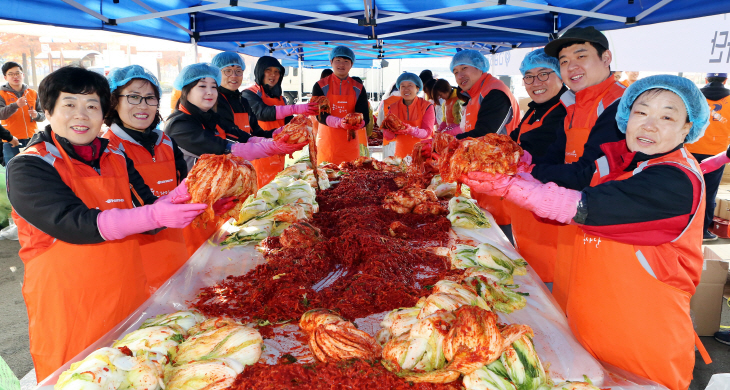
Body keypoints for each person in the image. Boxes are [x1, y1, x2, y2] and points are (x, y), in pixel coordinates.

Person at [463, 75, 712, 390]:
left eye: (667, 116)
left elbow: (585, 207)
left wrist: (512, 187)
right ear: (626, 117)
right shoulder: (626, 164)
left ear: (687, 128)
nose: (649, 125)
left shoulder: (676, 180)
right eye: (641, 112)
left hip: (641, 341)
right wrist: (522, 171)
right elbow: (574, 190)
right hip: (595, 329)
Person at [7, 66, 207, 380]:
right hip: (71, 309)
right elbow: (73, 223)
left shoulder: (115, 153)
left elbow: (146, 210)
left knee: (138, 375)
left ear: (104, 112)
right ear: (47, 111)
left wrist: (177, 201)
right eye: (69, 105)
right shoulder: (29, 166)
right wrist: (153, 215)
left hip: (129, 298)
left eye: (92, 106)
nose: (81, 115)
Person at [531, 26, 626, 308]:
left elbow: (587, 173)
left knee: (596, 308)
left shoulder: (619, 105)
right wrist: (531, 168)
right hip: (571, 219)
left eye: (581, 56)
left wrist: (529, 174)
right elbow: (553, 155)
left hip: (604, 227)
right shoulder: (572, 103)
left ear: (606, 58)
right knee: (565, 304)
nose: (571, 66)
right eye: (563, 61)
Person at [165, 63, 305, 254]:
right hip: (192, 212)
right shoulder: (180, 124)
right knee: (198, 260)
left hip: (218, 204)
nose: (210, 92)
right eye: (202, 86)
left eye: (213, 86)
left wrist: (279, 135)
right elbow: (224, 149)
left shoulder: (210, 117)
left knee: (219, 252)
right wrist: (273, 147)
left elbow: (243, 136)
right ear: (186, 90)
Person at [103, 65, 189, 292]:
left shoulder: (168, 143)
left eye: (150, 98)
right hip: (137, 265)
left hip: (177, 251)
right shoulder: (108, 149)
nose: (143, 105)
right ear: (114, 101)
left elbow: (188, 188)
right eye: (133, 97)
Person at [506, 49, 568, 285]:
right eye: (529, 77)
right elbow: (511, 140)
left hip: (547, 222)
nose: (536, 82)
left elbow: (534, 150)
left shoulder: (563, 112)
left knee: (546, 291)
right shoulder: (534, 109)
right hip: (523, 215)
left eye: (544, 74)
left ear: (560, 75)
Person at [449, 49, 521, 229]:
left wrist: (448, 143)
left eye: (464, 68)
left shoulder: (494, 92)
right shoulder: (474, 95)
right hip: (483, 178)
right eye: (455, 72)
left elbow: (486, 133)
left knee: (502, 235)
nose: (460, 75)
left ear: (480, 67)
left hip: (500, 179)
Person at [241, 55, 318, 187]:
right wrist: (297, 108)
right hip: (259, 153)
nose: (273, 75)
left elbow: (288, 123)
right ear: (260, 71)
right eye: (268, 70)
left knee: (277, 189)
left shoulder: (281, 98)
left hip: (279, 151)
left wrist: (303, 123)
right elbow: (263, 113)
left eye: (277, 72)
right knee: (260, 191)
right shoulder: (249, 94)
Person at [684, 73, 730, 241]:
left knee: (687, 189)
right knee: (708, 194)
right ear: (725, 80)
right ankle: (702, 231)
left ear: (706, 80)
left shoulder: (694, 97)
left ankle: (681, 228)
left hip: (690, 150)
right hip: (716, 155)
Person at [311, 46, 370, 165]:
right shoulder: (320, 86)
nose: (341, 65)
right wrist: (338, 122)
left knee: (349, 177)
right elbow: (319, 114)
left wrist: (359, 123)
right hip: (328, 142)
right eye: (338, 60)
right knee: (327, 178)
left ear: (351, 64)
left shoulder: (358, 87)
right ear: (331, 62)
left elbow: (364, 115)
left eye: (346, 61)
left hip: (350, 142)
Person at [381, 72, 435, 158]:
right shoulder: (393, 107)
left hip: (422, 154)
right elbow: (388, 136)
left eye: (410, 85)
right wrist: (388, 131)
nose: (406, 89)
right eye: (403, 86)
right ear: (399, 89)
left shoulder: (427, 106)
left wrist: (411, 130)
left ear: (417, 89)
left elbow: (427, 132)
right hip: (401, 154)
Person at [0, 62, 40, 165]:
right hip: (11, 139)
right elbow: (1, 114)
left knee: (33, 168)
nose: (15, 76)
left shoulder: (33, 93)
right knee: (12, 168)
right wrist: (16, 105)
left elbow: (43, 114)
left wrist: (37, 115)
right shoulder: (1, 94)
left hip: (32, 138)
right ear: (5, 77)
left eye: (18, 73)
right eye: (11, 74)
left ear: (23, 75)